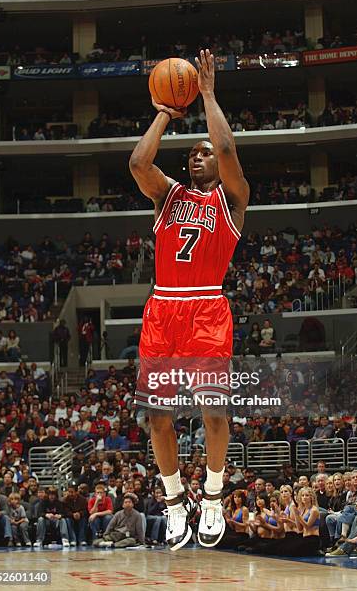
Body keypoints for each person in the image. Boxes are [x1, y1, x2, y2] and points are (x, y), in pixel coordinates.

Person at [129, 49, 249, 551]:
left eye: (204, 153)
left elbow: (226, 150)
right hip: (163, 308)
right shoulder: (169, 196)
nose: (199, 156)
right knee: (158, 416)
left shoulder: (232, 198)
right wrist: (164, 111)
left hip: (205, 308)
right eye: (192, 153)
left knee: (213, 414)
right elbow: (138, 162)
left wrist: (206, 95)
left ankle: (215, 497)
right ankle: (176, 502)